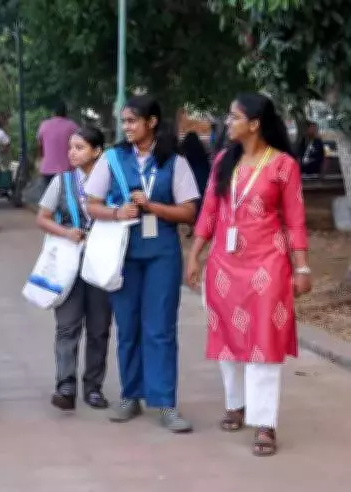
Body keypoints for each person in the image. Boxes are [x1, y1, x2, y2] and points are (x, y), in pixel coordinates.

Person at [186, 93, 311, 457]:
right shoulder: (224, 160)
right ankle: (235, 403)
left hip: (267, 264)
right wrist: (195, 255)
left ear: (254, 123)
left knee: (263, 341)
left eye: (234, 117)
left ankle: (264, 422)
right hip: (224, 265)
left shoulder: (283, 165)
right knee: (227, 337)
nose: (228, 123)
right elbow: (209, 210)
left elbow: (295, 219)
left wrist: (301, 267)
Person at [84, 95, 200, 433]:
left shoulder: (173, 162)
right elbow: (92, 204)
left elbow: (189, 211)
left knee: (161, 328)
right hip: (124, 252)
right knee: (128, 325)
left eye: (133, 120)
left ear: (151, 122)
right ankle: (130, 396)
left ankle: (165, 402)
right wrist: (117, 212)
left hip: (162, 252)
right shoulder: (112, 159)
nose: (127, 127)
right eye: (124, 121)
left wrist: (153, 206)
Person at [36, 126, 112, 411]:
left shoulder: (111, 182)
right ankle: (65, 385)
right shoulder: (63, 181)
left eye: (80, 147)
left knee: (99, 327)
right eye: (71, 147)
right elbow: (43, 218)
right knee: (67, 326)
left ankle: (93, 387)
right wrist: (65, 232)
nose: (72, 153)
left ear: (97, 151)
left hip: (102, 264)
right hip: (69, 264)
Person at [38, 102, 79, 187]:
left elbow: (40, 147)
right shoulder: (72, 126)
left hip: (47, 169)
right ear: (65, 112)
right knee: (66, 197)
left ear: (53, 113)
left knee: (49, 198)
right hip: (67, 170)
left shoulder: (44, 125)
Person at [180, 132, 211, 229]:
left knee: (192, 200)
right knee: (201, 201)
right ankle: (201, 223)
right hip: (202, 176)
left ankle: (192, 225)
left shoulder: (185, 151)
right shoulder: (201, 149)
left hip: (191, 177)